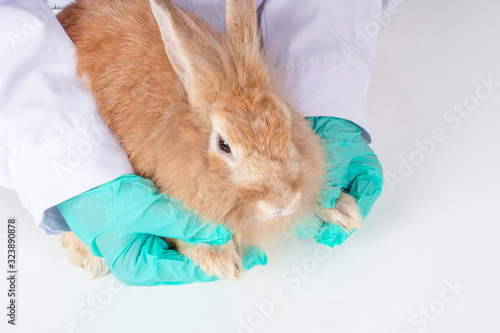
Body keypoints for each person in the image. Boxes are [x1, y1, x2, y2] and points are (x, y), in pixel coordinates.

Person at [0, 0, 384, 286]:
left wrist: (324, 81)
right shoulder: (185, 143)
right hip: (47, 64)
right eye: (225, 148)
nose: (279, 197)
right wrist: (69, 169)